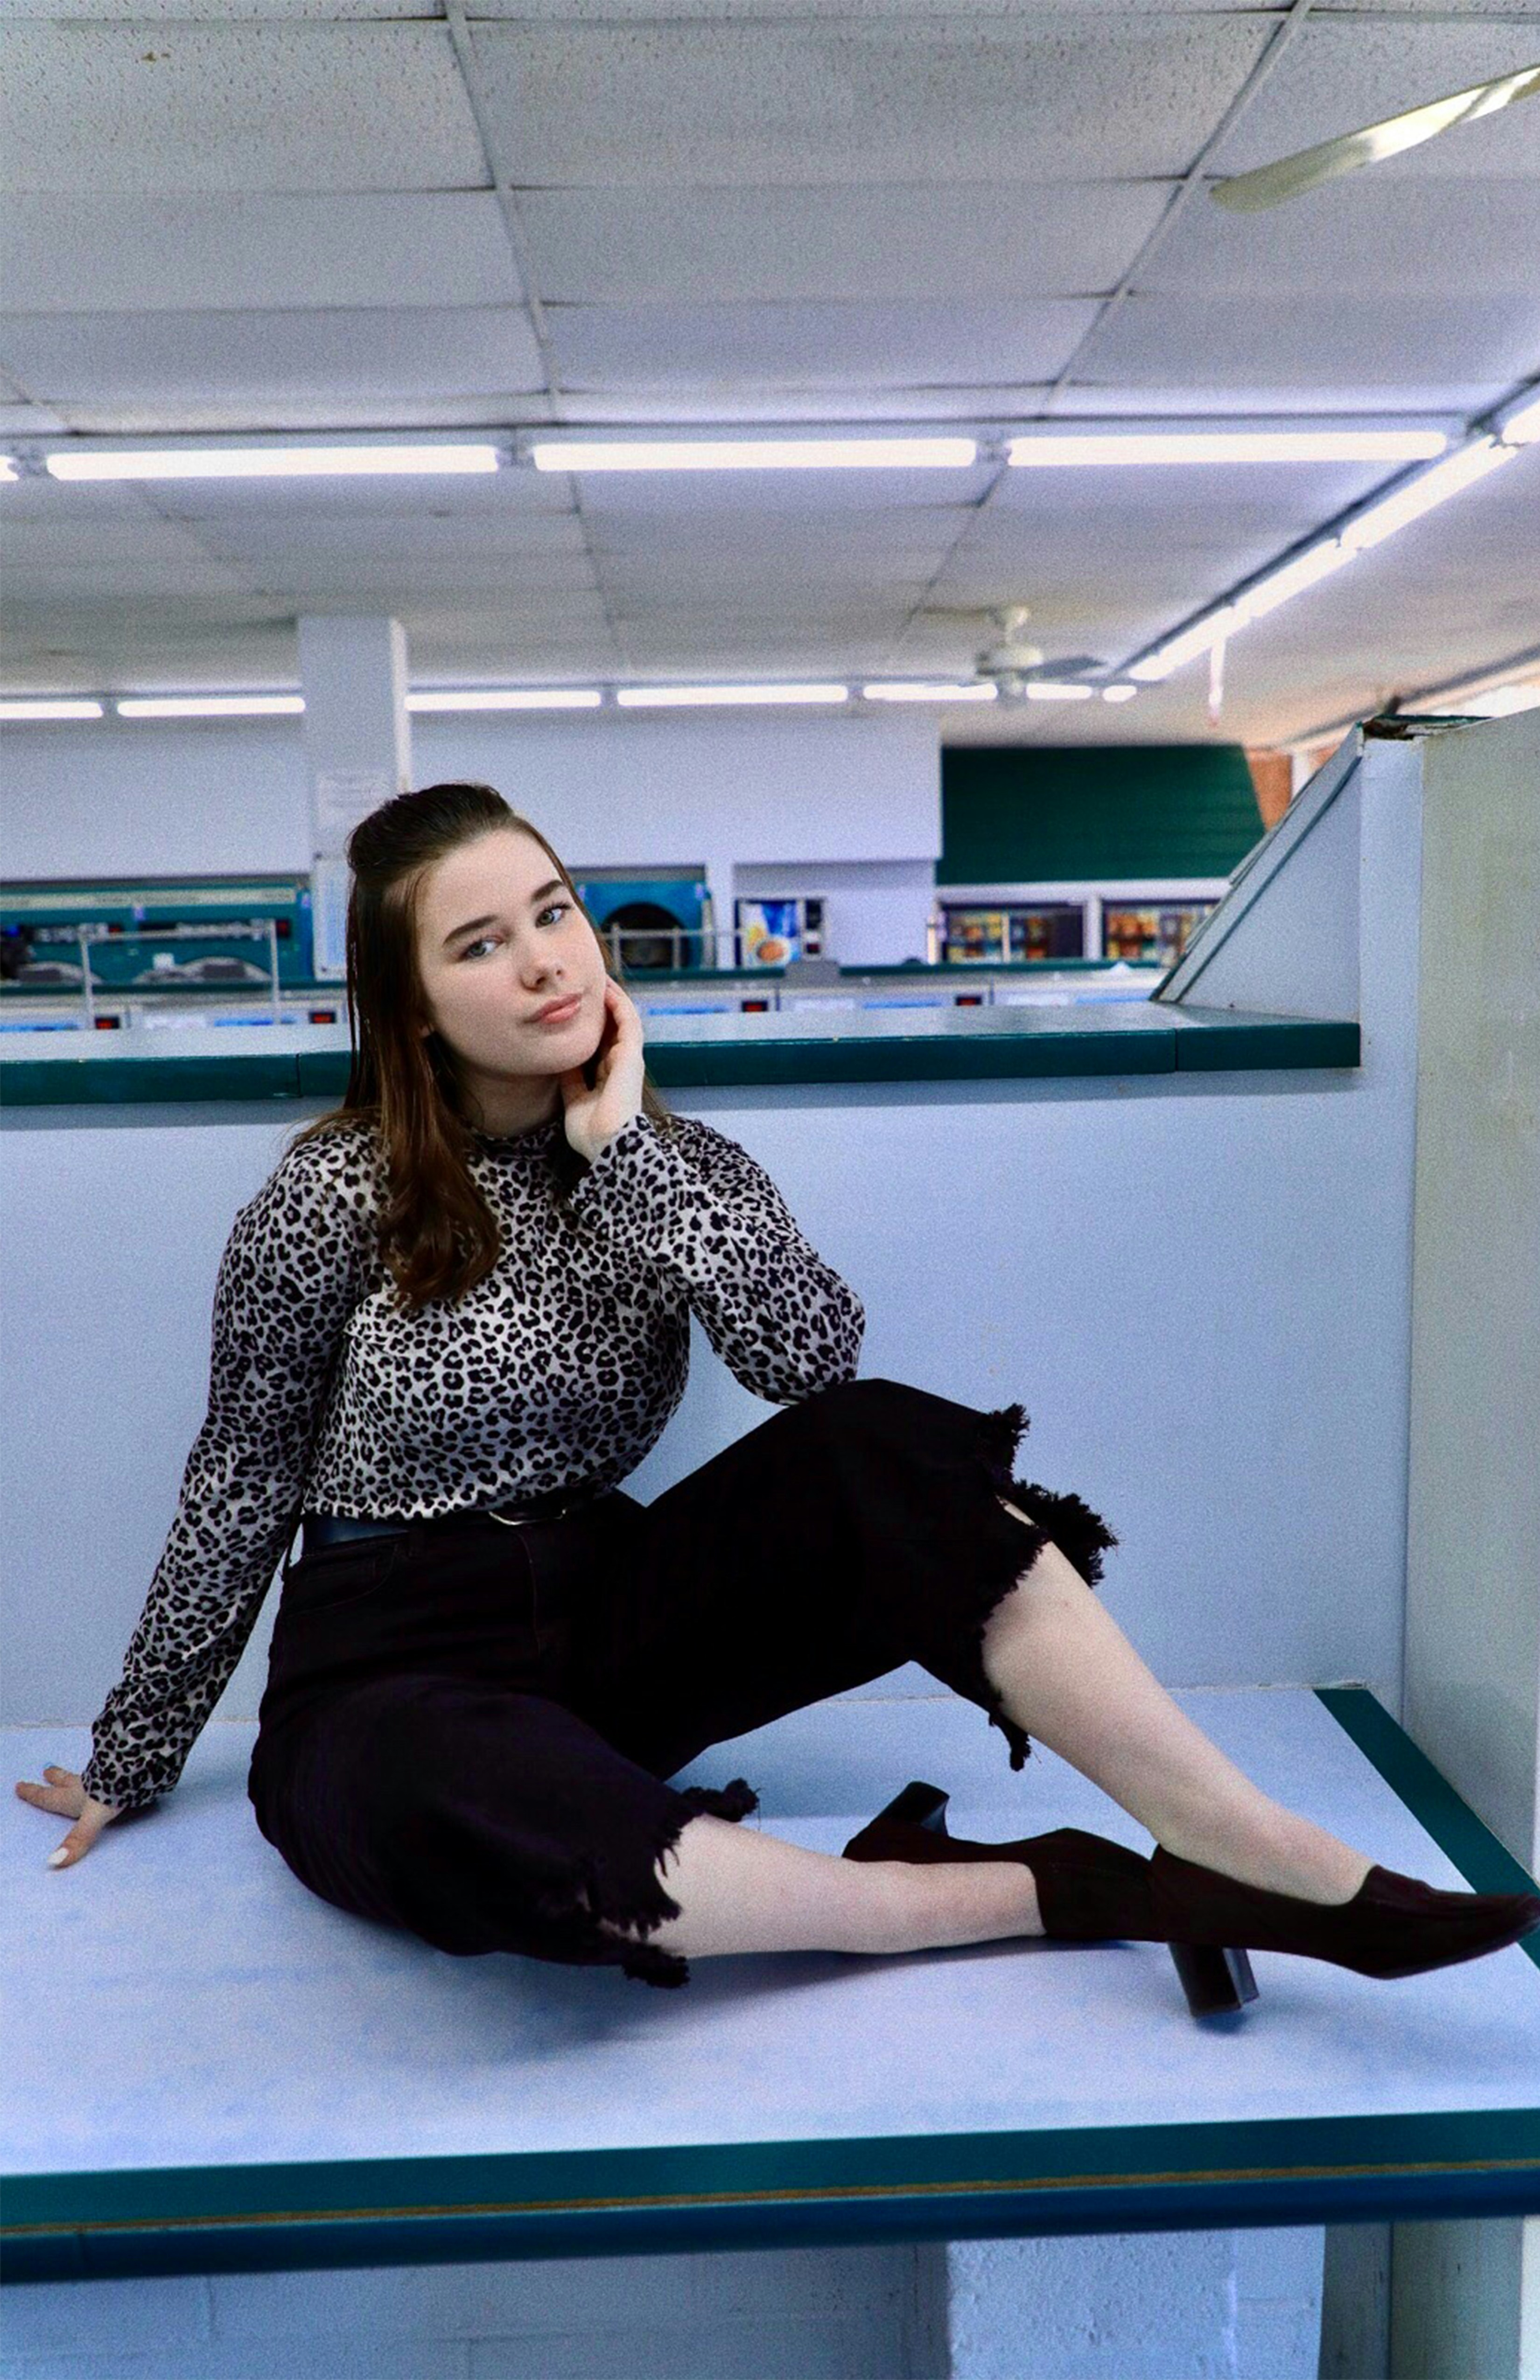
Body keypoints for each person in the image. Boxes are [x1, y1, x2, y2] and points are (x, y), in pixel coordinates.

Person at [17, 782, 1539, 2010]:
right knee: (500, 1821)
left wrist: (627, 1155)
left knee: (875, 1450)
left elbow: (816, 1364)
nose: (545, 960)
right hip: (390, 1669)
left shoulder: (671, 1164)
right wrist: (135, 1756)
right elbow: (237, 1483)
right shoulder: (331, 1195)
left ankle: (1236, 1840)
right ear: (410, 1006)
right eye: (479, 943)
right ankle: (1052, 1891)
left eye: (554, 911)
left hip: (606, 1621)